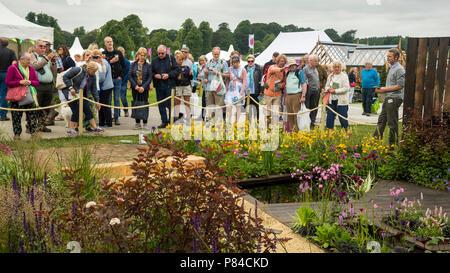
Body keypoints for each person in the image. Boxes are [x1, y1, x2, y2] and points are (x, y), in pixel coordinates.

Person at [373, 48, 405, 147]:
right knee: (381, 120)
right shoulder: (391, 68)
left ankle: (392, 145)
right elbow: (391, 85)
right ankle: (375, 142)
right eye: (387, 56)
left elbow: (400, 86)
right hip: (388, 97)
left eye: (389, 56)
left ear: (396, 57)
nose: (387, 58)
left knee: (392, 122)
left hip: (394, 98)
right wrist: (381, 89)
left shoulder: (399, 69)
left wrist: (384, 89)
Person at [62, 62, 103, 136]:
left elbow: (94, 89)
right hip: (71, 93)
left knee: (87, 109)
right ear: (88, 69)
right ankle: (71, 129)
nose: (94, 73)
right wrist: (71, 88)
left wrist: (97, 101)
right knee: (76, 110)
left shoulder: (93, 76)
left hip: (82, 95)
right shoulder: (78, 70)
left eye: (95, 72)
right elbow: (65, 77)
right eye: (93, 71)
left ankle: (95, 127)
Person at [5, 52, 39, 140]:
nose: (30, 61)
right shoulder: (12, 68)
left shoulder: (31, 69)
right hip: (16, 97)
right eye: (28, 59)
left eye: (30, 59)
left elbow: (36, 82)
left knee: (32, 116)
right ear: (21, 59)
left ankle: (34, 134)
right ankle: (17, 135)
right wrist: (19, 82)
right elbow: (8, 82)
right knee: (16, 117)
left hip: (29, 96)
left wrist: (30, 82)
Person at [30, 38, 57, 133]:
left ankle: (42, 126)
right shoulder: (32, 56)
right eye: (40, 46)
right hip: (38, 85)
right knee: (36, 107)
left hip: (49, 85)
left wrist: (53, 62)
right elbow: (34, 66)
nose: (43, 49)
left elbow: (53, 71)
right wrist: (47, 59)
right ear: (35, 47)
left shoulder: (47, 57)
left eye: (45, 47)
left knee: (46, 107)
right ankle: (32, 126)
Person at [152, 44, 180, 129]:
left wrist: (168, 75)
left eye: (162, 53)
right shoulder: (154, 60)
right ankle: (164, 121)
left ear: (165, 52)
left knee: (171, 104)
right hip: (159, 85)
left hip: (169, 85)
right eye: (159, 53)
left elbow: (177, 70)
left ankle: (171, 122)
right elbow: (151, 72)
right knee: (161, 104)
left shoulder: (171, 58)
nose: (160, 55)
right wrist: (155, 75)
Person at [102, 37, 126, 125]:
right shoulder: (103, 54)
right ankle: (108, 117)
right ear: (105, 44)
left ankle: (116, 117)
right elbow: (102, 66)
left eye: (111, 41)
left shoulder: (118, 53)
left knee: (116, 99)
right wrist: (110, 61)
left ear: (113, 42)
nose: (109, 43)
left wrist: (121, 76)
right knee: (108, 100)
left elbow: (124, 66)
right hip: (108, 80)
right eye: (107, 42)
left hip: (117, 79)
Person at [324, 61, 350, 134]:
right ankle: (330, 134)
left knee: (343, 117)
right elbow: (327, 85)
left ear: (341, 67)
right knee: (330, 117)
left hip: (341, 101)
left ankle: (347, 131)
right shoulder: (330, 76)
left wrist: (335, 91)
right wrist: (327, 89)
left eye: (338, 67)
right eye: (335, 67)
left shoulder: (344, 76)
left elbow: (346, 88)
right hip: (331, 100)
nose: (336, 68)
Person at [129, 47, 152, 130]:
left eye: (144, 55)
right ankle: (137, 123)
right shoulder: (133, 64)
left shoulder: (148, 65)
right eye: (141, 55)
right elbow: (130, 76)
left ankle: (145, 123)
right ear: (138, 55)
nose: (142, 57)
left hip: (144, 89)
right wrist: (135, 86)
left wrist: (143, 87)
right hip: (135, 88)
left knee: (144, 104)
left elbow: (150, 77)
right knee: (136, 104)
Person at [204, 47, 229, 121]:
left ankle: (218, 123)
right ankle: (211, 123)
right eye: (215, 54)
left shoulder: (223, 63)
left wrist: (218, 73)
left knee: (218, 107)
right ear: (212, 54)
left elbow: (228, 75)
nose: (216, 56)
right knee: (210, 107)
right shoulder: (208, 62)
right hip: (209, 87)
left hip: (219, 88)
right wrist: (205, 77)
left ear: (219, 54)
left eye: (217, 54)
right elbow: (205, 73)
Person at [92, 49, 114, 128]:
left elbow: (101, 77)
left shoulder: (102, 63)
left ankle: (108, 123)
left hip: (105, 87)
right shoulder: (103, 62)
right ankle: (102, 122)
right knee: (102, 105)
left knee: (104, 105)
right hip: (107, 86)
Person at [263, 54, 287, 127]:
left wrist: (282, 85)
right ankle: (266, 127)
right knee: (268, 112)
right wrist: (282, 69)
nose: (282, 63)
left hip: (278, 94)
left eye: (284, 61)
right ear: (278, 61)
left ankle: (275, 127)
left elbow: (284, 81)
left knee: (276, 112)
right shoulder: (272, 67)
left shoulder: (284, 72)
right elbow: (273, 70)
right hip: (268, 93)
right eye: (281, 61)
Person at [285, 59, 307, 132]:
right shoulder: (288, 73)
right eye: (290, 65)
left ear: (296, 65)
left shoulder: (299, 72)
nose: (291, 67)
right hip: (288, 96)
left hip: (296, 95)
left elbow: (304, 84)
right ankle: (292, 133)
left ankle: (298, 132)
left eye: (293, 65)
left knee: (297, 115)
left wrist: (303, 96)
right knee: (290, 115)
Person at [225, 55, 247, 125]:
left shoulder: (243, 70)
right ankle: (229, 121)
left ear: (239, 62)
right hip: (231, 89)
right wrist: (226, 89)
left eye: (236, 62)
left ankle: (236, 121)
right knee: (229, 106)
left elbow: (245, 81)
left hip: (239, 89)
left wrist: (242, 91)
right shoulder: (230, 69)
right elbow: (227, 80)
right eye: (233, 62)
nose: (235, 64)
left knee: (238, 106)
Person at [0, 37, 17, 121]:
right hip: (5, 74)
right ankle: (2, 115)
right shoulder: (11, 52)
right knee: (3, 95)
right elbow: (14, 63)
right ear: (7, 44)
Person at [303, 55, 322, 128]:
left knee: (315, 106)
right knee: (307, 106)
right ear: (310, 61)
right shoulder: (305, 69)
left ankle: (312, 121)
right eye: (315, 61)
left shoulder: (316, 69)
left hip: (316, 90)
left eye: (317, 61)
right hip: (309, 90)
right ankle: (306, 122)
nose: (317, 62)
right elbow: (304, 80)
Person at [174, 52, 193, 122]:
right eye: (179, 60)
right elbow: (172, 77)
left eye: (182, 60)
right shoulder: (174, 68)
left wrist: (190, 74)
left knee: (187, 102)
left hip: (186, 86)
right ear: (176, 60)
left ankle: (188, 117)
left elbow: (190, 78)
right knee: (177, 102)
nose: (181, 61)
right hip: (178, 86)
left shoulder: (186, 67)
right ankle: (177, 117)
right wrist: (177, 77)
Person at [244, 54, 263, 121]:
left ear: (254, 61)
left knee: (255, 107)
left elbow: (261, 79)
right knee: (247, 107)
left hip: (255, 90)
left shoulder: (258, 68)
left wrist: (261, 90)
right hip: (247, 90)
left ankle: (256, 121)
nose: (250, 62)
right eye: (249, 61)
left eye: (252, 61)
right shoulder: (245, 68)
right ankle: (248, 122)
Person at [117, 46, 130, 118]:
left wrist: (122, 79)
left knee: (122, 97)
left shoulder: (127, 62)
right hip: (116, 82)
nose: (121, 52)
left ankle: (126, 110)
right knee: (116, 98)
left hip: (123, 82)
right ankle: (117, 112)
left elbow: (127, 73)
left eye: (122, 51)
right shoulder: (116, 61)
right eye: (120, 51)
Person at [197, 55, 207, 119]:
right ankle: (203, 116)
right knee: (203, 102)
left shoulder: (207, 67)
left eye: (203, 60)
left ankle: (208, 116)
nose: (202, 62)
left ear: (206, 60)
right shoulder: (201, 68)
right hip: (203, 87)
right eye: (200, 61)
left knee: (208, 102)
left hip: (209, 88)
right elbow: (199, 77)